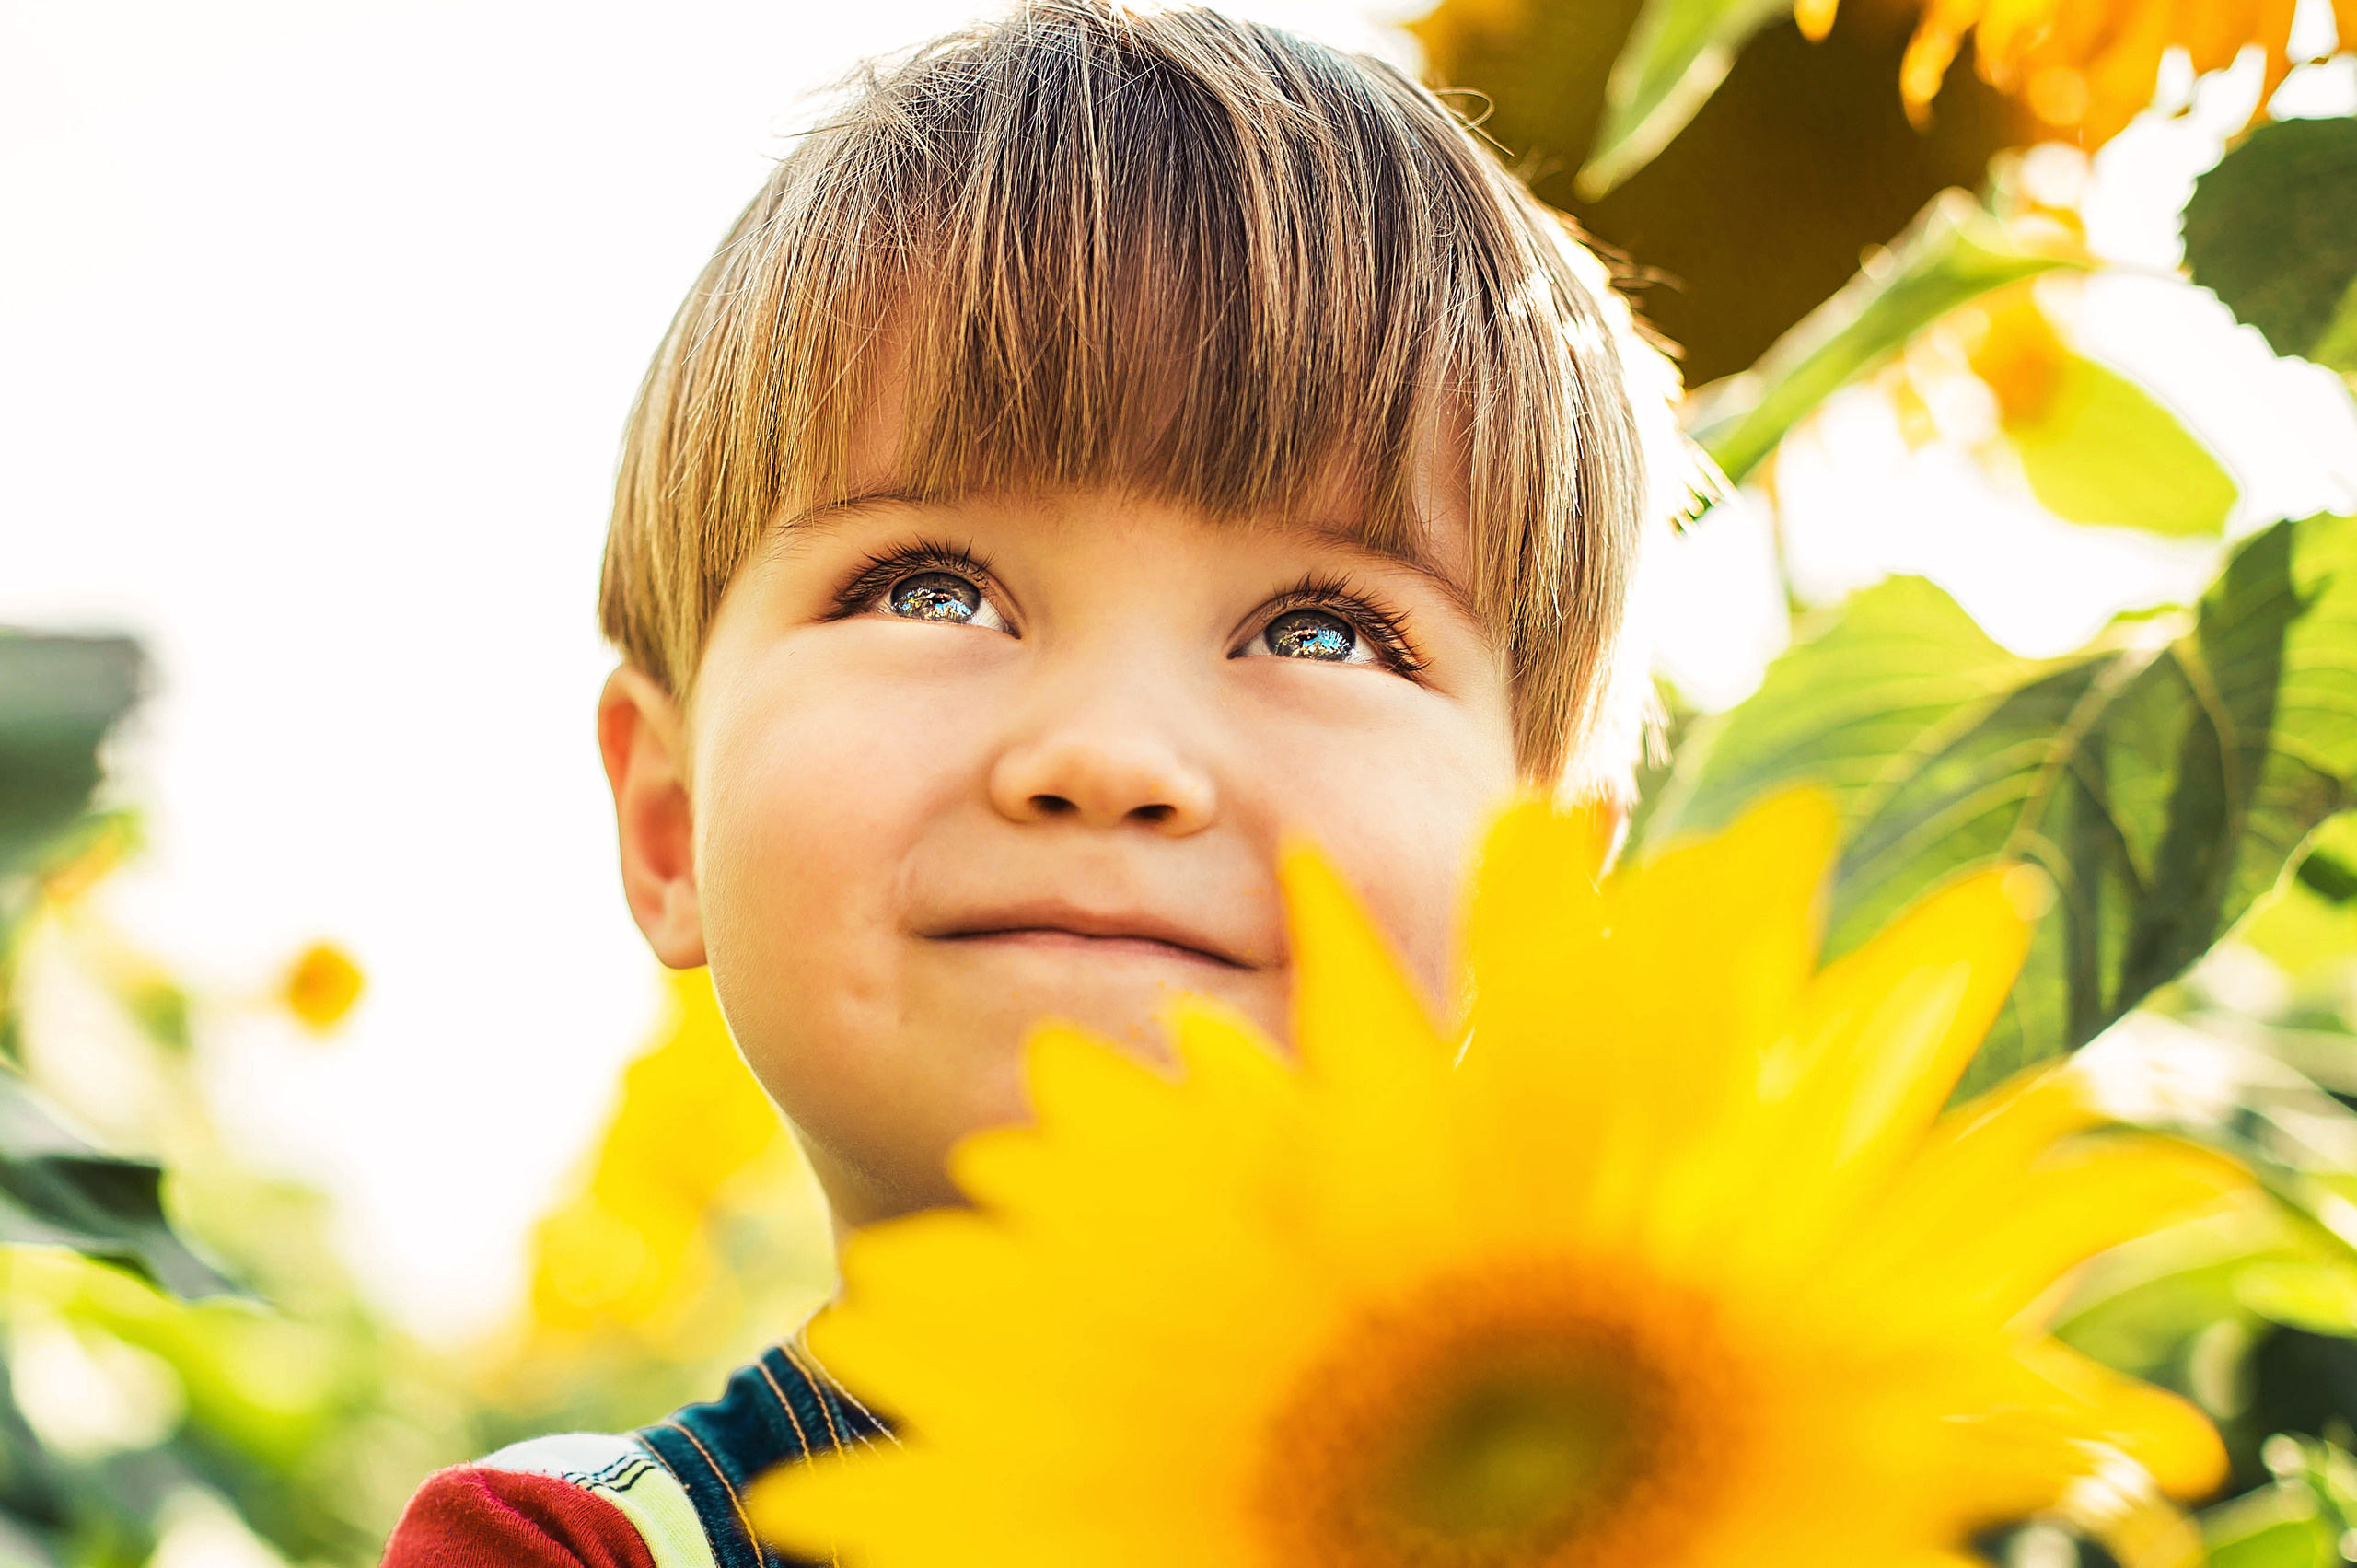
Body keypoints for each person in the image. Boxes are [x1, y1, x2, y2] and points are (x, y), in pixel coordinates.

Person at [382, 2, 1679, 1562]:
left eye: (1321, 629)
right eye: (933, 592)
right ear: (669, 826)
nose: (1109, 755)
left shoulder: (1735, 1496)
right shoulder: (579, 1551)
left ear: (1546, 897)